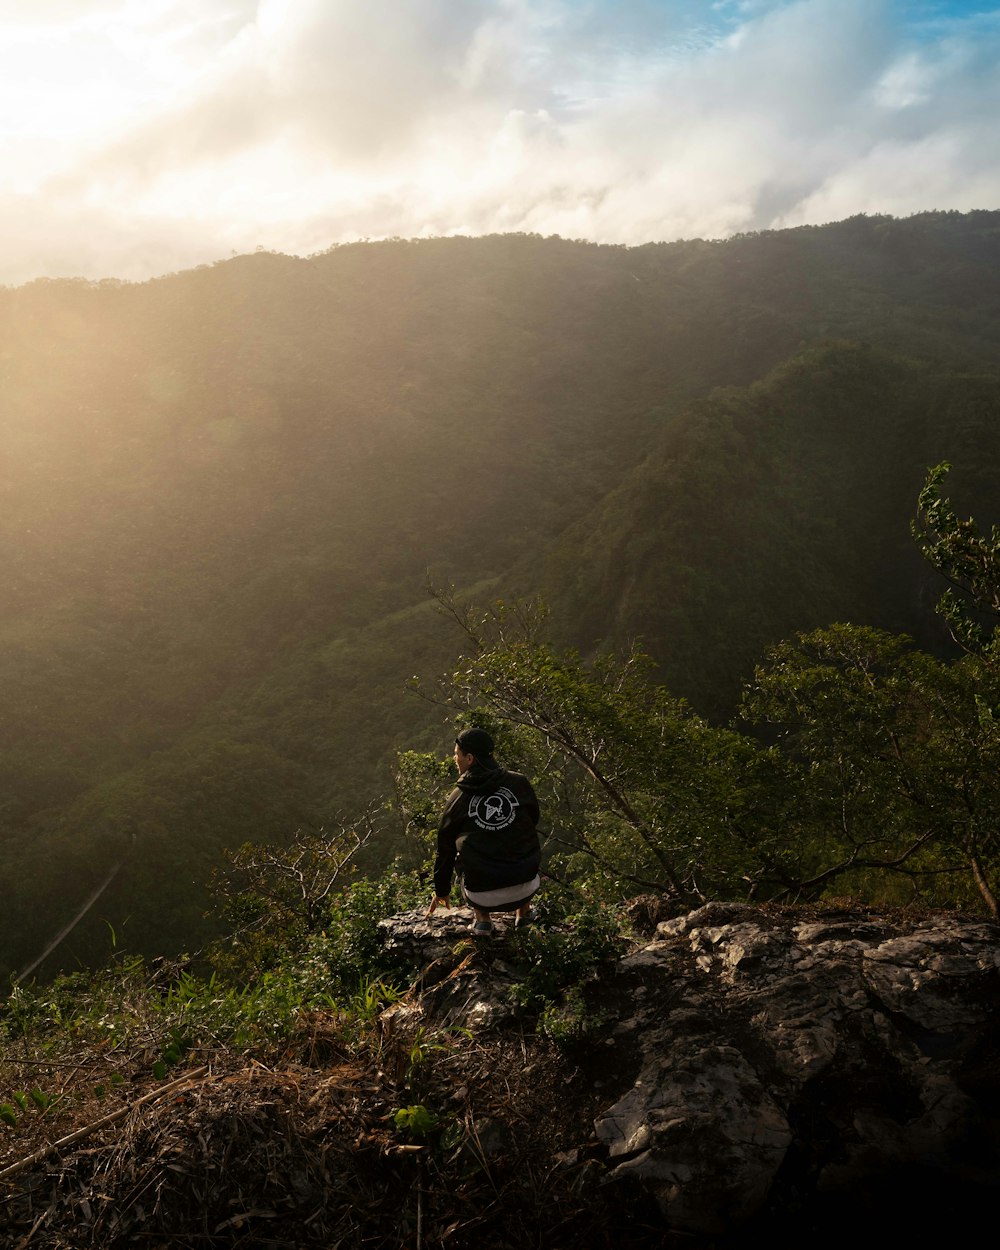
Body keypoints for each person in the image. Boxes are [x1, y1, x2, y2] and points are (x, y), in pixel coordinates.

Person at [426, 728, 541, 936]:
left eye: (457, 754)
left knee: (462, 847)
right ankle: (523, 914)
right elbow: (533, 818)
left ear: (469, 758)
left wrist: (442, 890)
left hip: (482, 895)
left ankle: (483, 921)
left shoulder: (458, 797)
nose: (454, 758)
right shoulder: (519, 782)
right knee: (521, 833)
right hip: (526, 885)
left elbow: (445, 849)